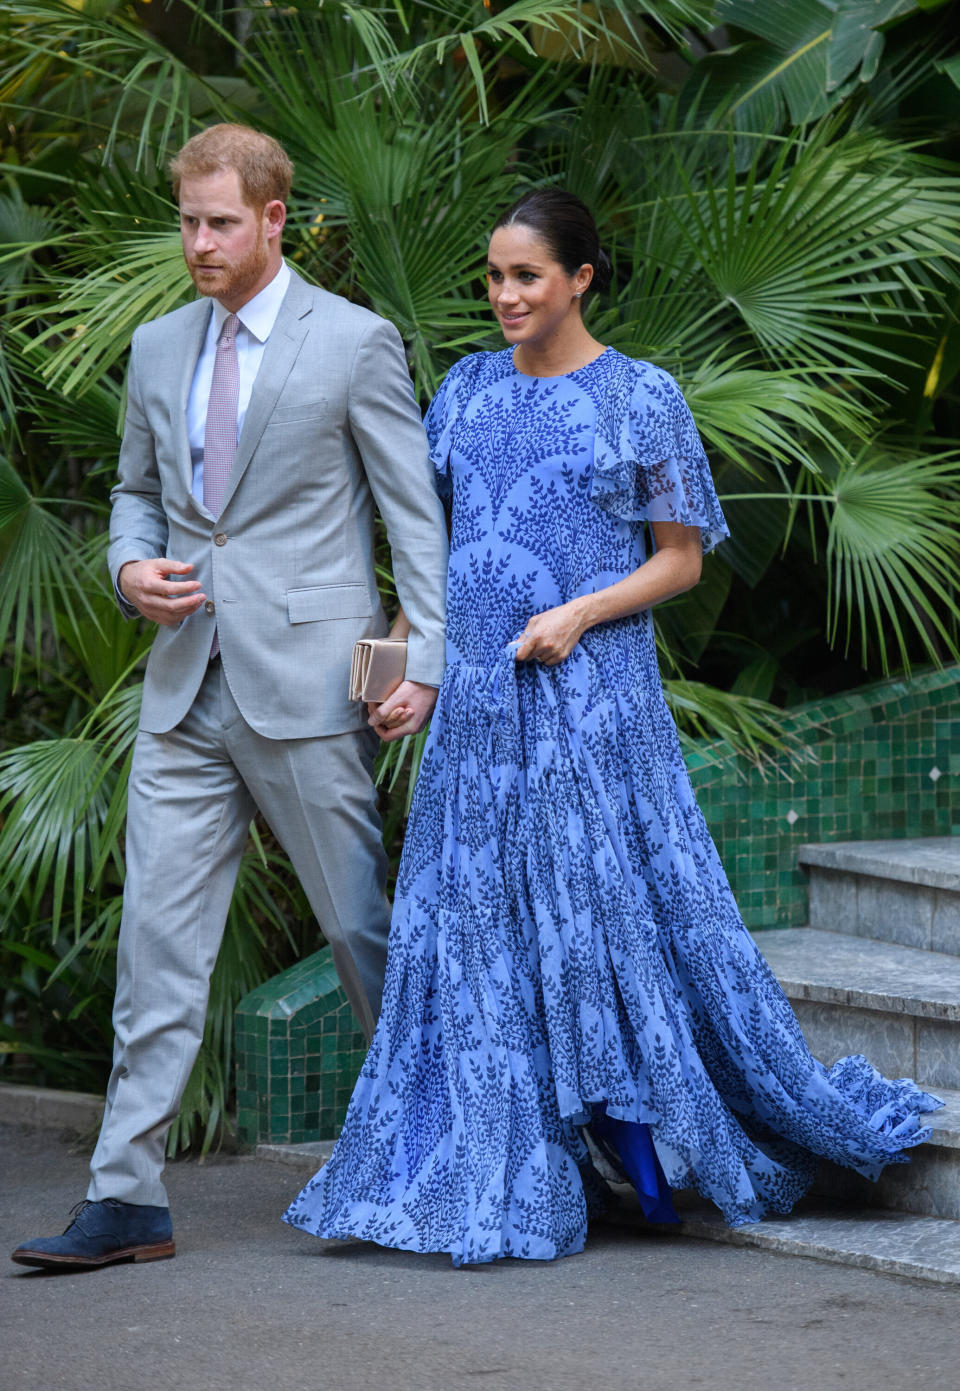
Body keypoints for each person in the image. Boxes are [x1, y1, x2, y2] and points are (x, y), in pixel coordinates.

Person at [282, 188, 941, 1266]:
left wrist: (580, 612)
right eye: (494, 277)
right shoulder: (461, 393)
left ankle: (650, 1151)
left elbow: (681, 556)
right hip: (481, 716)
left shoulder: (643, 396)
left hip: (592, 701)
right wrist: (411, 670)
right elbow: (437, 561)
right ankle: (501, 1146)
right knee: (476, 929)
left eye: (526, 276)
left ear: (582, 277)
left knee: (601, 924)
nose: (503, 296)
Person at [11, 124, 448, 1271]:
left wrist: (428, 661)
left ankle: (447, 1146)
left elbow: (414, 519)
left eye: (218, 222)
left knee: (361, 932)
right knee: (154, 949)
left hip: (309, 691)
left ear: (272, 220)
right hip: (181, 690)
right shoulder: (157, 348)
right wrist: (126, 568)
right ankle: (126, 1195)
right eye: (187, 221)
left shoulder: (353, 343)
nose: (197, 242)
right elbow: (133, 495)